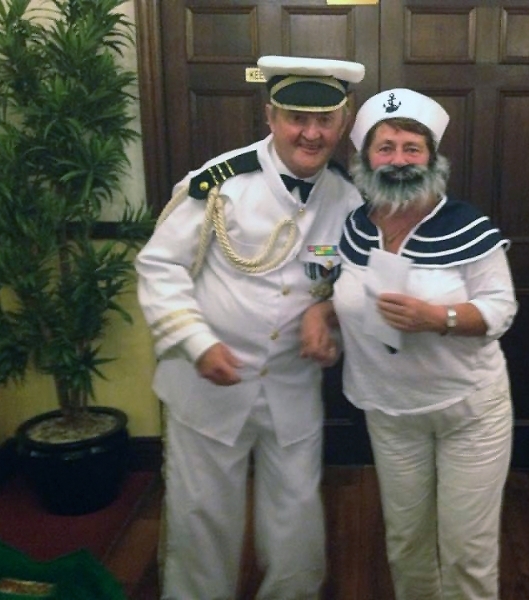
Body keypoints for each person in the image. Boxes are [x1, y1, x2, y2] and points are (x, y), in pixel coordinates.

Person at [135, 55, 365, 600]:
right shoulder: (220, 184)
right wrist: (195, 343)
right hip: (208, 380)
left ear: (343, 122)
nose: (311, 133)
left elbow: (352, 281)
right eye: (296, 118)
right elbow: (159, 265)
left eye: (325, 120)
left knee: (296, 515)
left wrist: (327, 320)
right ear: (270, 117)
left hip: (291, 381)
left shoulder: (349, 198)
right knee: (202, 515)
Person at [302, 88, 518, 600]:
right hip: (390, 411)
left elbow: (501, 309)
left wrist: (438, 317)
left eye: (411, 148)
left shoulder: (468, 225)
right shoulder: (354, 227)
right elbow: (344, 293)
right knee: (405, 541)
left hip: (468, 411)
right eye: (386, 148)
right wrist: (318, 311)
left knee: (467, 551)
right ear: (365, 159)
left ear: (431, 158)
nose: (398, 160)